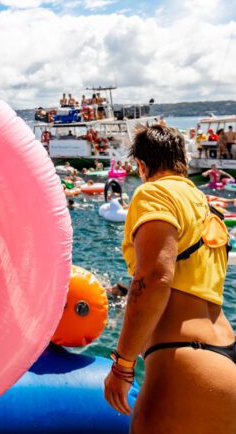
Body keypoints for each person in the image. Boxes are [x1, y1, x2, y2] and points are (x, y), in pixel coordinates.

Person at [105, 124, 236, 431]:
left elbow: (154, 277)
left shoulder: (154, 192)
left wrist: (123, 366)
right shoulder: (206, 207)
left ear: (141, 165)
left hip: (184, 357)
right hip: (223, 353)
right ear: (184, 162)